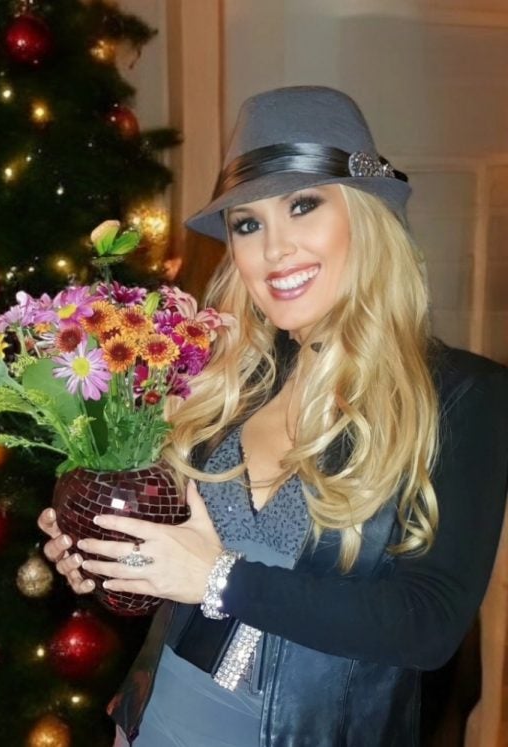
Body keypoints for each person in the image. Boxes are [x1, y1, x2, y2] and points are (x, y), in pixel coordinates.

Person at [38, 86, 508, 747]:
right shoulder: (235, 379)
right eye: (248, 224)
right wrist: (106, 553)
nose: (274, 249)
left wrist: (218, 577)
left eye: (303, 205)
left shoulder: (462, 396)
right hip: (151, 724)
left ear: (366, 214)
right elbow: (179, 574)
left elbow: (427, 624)